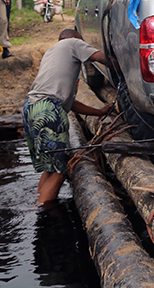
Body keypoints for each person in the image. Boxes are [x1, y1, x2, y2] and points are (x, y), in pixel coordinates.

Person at [22, 29, 114, 204]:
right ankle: (42, 211)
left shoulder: (52, 55)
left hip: (31, 108)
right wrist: (124, 65)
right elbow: (100, 58)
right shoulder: (72, 43)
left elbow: (69, 103)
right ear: (74, 39)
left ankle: (37, 200)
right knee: (60, 169)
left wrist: (100, 112)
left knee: (51, 165)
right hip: (48, 111)